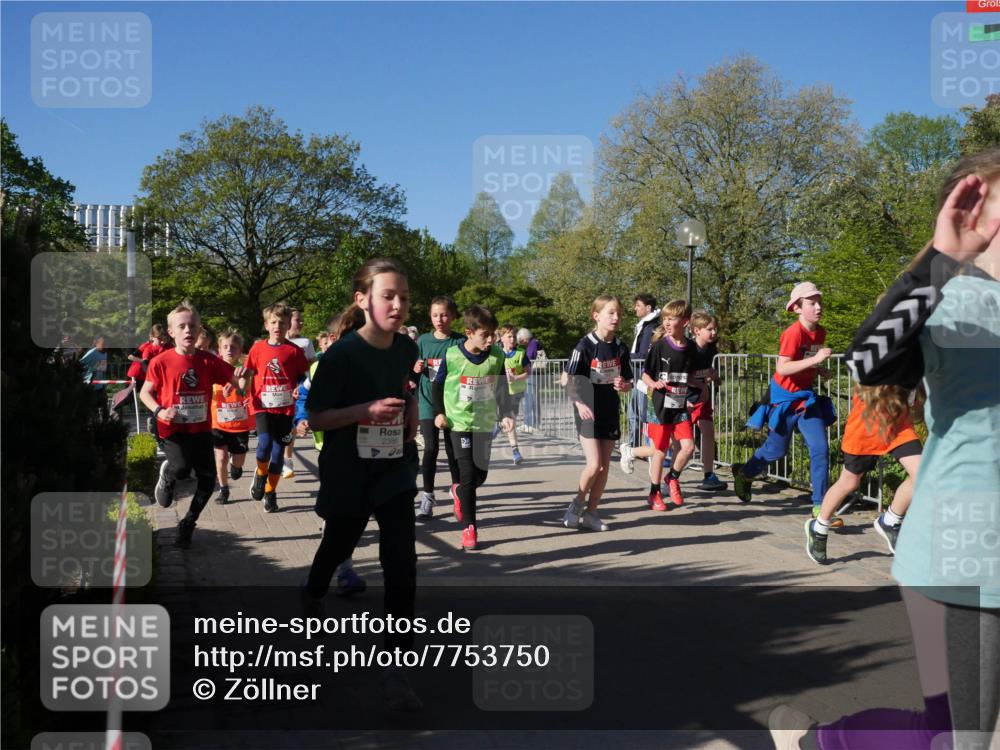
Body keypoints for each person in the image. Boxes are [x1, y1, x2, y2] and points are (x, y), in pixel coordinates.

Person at [770, 151, 1000, 750]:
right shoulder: (951, 297)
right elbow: (869, 361)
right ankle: (818, 742)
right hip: (967, 553)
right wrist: (940, 264)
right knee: (956, 740)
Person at [303, 258, 421, 710]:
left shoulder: (407, 350)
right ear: (363, 300)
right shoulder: (341, 355)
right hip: (349, 469)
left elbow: (407, 387)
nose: (397, 304)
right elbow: (315, 418)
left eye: (404, 297)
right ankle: (313, 591)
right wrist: (363, 412)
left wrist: (409, 408)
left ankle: (397, 671)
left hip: (394, 467)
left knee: (401, 561)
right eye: (388, 295)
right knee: (337, 544)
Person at [140, 301, 240, 548]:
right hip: (172, 428)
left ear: (199, 330)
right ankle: (169, 474)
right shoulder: (161, 361)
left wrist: (238, 380)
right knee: (183, 469)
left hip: (201, 429)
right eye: (182, 326)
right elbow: (145, 393)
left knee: (207, 481)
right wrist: (159, 411)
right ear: (171, 332)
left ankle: (189, 522)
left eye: (192, 326)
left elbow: (235, 379)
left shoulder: (209, 361)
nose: (188, 330)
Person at [733, 282, 835, 519]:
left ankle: (820, 505)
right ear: (797, 308)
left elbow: (806, 360)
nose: (818, 307)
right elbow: (783, 367)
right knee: (776, 451)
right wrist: (815, 360)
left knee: (820, 448)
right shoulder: (793, 333)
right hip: (783, 398)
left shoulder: (820, 332)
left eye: (819, 302)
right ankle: (746, 473)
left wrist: (819, 370)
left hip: (806, 399)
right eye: (812, 303)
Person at [804, 383, 923, 564]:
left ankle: (890, 521)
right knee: (850, 482)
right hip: (867, 426)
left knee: (923, 473)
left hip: (899, 427)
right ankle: (819, 527)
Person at [432, 305, 513, 550]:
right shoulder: (452, 355)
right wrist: (439, 413)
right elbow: (437, 386)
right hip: (458, 422)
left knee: (480, 475)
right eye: (485, 335)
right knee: (467, 473)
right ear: (469, 332)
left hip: (484, 422)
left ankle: (460, 492)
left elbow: (501, 388)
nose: (491, 340)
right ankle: (470, 527)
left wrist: (506, 413)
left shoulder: (497, 355)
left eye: (493, 334)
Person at [563, 295, 633, 532]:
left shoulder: (620, 347)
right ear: (596, 316)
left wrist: (624, 386)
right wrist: (579, 403)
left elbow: (628, 380)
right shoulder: (584, 346)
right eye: (611, 313)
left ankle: (592, 513)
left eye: (619, 314)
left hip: (610, 410)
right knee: (594, 465)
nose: (616, 318)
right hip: (587, 410)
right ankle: (576, 504)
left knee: (604, 467)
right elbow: (568, 380)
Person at [237, 302, 310, 513]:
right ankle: (260, 475)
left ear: (289, 326)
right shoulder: (258, 348)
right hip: (263, 407)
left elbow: (301, 378)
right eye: (274, 322)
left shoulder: (295, 351)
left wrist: (299, 389)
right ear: (267, 325)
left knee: (278, 455)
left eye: (282, 322)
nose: (278, 326)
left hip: (286, 411)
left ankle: (270, 492)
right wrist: (241, 388)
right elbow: (248, 372)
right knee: (264, 444)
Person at [638, 300, 700, 510]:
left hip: (680, 406)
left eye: (671, 319)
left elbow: (689, 376)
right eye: (664, 318)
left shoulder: (691, 348)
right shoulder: (659, 346)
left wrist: (701, 384)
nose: (666, 322)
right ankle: (654, 493)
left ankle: (672, 477)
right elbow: (645, 374)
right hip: (660, 406)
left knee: (688, 447)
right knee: (660, 450)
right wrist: (654, 384)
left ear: (685, 322)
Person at [413, 296, 463, 520]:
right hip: (427, 401)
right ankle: (428, 496)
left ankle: (458, 493)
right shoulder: (423, 341)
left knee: (454, 451)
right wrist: (415, 367)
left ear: (452, 315)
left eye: (443, 314)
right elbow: (412, 371)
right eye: (435, 315)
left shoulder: (459, 341)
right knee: (431, 448)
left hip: (452, 402)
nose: (439, 319)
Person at [209, 329, 253, 505]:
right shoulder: (213, 368)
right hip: (218, 423)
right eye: (225, 346)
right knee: (220, 458)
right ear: (219, 349)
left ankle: (237, 467)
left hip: (239, 424)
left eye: (233, 347)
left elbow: (244, 388)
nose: (229, 350)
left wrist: (236, 385)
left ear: (240, 349)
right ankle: (223, 490)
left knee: (239, 459)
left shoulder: (242, 369)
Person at [689, 311, 727, 491]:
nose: (714, 333)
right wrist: (701, 381)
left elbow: (712, 376)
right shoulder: (689, 349)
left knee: (709, 434)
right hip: (686, 399)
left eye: (715, 329)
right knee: (682, 443)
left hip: (703, 398)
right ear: (697, 330)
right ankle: (670, 477)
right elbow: (685, 375)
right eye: (710, 329)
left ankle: (708, 475)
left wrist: (715, 378)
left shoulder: (711, 351)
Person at [283, 307, 318, 479]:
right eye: (298, 320)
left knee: (293, 422)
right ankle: (276, 456)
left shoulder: (306, 342)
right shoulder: (275, 340)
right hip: (278, 387)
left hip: (299, 386)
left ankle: (287, 459)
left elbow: (313, 365)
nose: (302, 323)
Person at [626, 293, 660, 452]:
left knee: (641, 412)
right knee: (635, 412)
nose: (635, 308)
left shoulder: (651, 327)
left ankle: (644, 449)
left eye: (638, 305)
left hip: (643, 375)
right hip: (637, 373)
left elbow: (644, 355)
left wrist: (626, 356)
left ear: (648, 308)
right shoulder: (644, 325)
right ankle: (635, 447)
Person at [497, 324, 530, 465]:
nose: (512, 339)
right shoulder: (495, 353)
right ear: (502, 337)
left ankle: (499, 426)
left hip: (516, 392)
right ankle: (515, 450)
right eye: (509, 336)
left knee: (511, 420)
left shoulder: (520, 353)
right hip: (500, 391)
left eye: (513, 336)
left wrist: (516, 377)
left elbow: (528, 372)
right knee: (511, 420)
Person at [517, 328, 540, 433]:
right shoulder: (535, 343)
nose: (522, 343)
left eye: (522, 340)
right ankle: (532, 424)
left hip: (532, 375)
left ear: (525, 338)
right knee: (532, 400)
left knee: (529, 400)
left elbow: (529, 357)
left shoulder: (533, 344)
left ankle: (529, 424)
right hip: (534, 375)